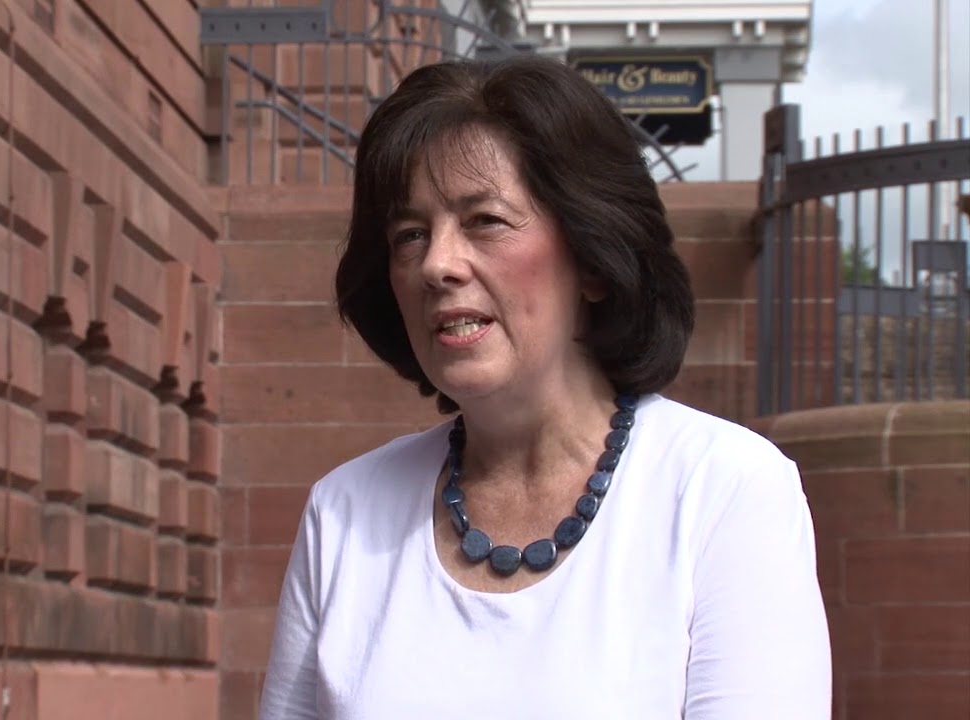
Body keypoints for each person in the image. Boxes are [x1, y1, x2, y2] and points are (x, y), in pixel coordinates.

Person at [257, 55, 831, 719]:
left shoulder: (722, 491)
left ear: (592, 257)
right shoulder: (344, 513)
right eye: (410, 234)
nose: (437, 264)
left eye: (485, 220)